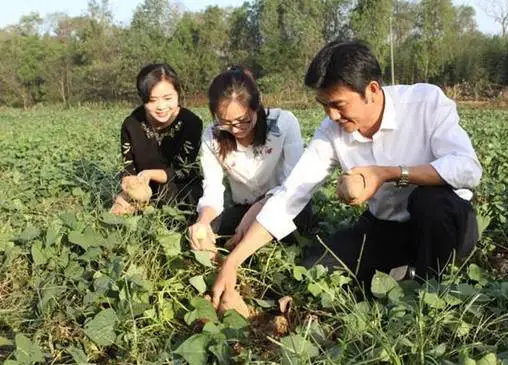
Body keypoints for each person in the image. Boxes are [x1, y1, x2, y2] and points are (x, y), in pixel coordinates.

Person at [209, 40, 482, 306]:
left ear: (372, 90)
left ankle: (430, 290)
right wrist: (232, 262)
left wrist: (388, 174)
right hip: (387, 228)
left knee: (430, 201)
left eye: (338, 105)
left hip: (443, 226)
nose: (332, 116)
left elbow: (467, 168)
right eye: (324, 105)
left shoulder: (425, 103)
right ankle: (404, 270)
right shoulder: (332, 132)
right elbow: (292, 193)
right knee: (314, 265)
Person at [187, 66, 314, 254]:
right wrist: (203, 222)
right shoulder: (212, 136)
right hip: (243, 208)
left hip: (284, 204)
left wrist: (257, 212)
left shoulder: (284, 123)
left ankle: (248, 244)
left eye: (243, 120)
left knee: (297, 223)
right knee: (207, 230)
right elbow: (212, 189)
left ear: (256, 105)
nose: (236, 129)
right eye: (225, 122)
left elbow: (294, 185)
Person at [111, 63, 203, 215]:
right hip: (141, 187)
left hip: (180, 185)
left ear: (178, 93)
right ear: (143, 98)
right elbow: (128, 167)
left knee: (174, 198)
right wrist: (131, 185)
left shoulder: (191, 123)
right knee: (117, 211)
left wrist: (150, 174)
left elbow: (182, 170)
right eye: (152, 100)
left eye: (168, 98)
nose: (161, 107)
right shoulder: (131, 124)